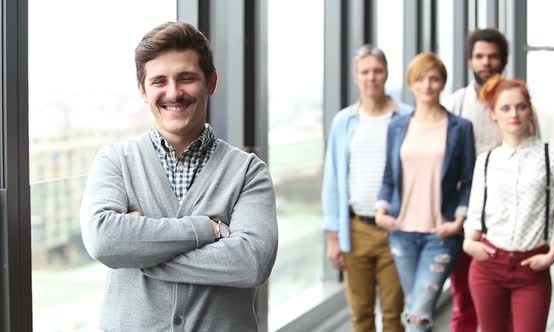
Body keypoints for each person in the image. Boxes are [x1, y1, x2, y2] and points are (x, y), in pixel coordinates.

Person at [79, 22, 278, 331]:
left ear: (211, 81)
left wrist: (140, 254)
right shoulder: (114, 162)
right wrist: (205, 229)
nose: (173, 92)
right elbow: (103, 241)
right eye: (159, 81)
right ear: (143, 90)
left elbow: (251, 263)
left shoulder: (249, 173)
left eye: (187, 78)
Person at [463, 75, 554, 332]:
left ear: (529, 110)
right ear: (493, 114)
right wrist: (469, 242)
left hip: (532, 268)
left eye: (521, 106)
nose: (514, 113)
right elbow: (475, 211)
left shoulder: (553, 156)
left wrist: (551, 255)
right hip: (488, 265)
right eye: (505, 108)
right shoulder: (487, 160)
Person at [376, 52, 476, 332]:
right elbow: (388, 176)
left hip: (441, 235)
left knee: (418, 313)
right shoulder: (397, 126)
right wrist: (380, 209)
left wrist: (459, 221)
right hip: (401, 232)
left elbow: (469, 181)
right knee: (416, 309)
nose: (428, 85)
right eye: (421, 79)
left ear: (443, 83)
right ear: (411, 84)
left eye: (434, 79)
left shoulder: (460, 128)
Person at [322, 44, 410, 332]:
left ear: (386, 74)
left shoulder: (406, 118)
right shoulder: (344, 121)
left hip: (395, 230)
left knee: (394, 314)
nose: (371, 77)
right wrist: (334, 236)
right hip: (355, 228)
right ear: (356, 76)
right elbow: (333, 180)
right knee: (360, 315)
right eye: (365, 72)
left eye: (377, 71)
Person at [442, 28, 509, 332]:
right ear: (470, 60)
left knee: (503, 306)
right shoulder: (456, 102)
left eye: (492, 56)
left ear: (502, 61)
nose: (486, 62)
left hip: (508, 216)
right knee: (464, 302)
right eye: (479, 56)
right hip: (465, 216)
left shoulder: (514, 101)